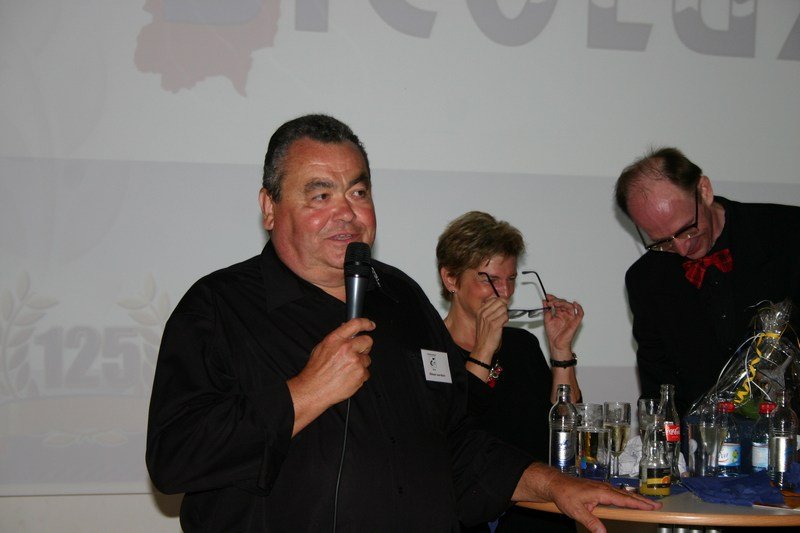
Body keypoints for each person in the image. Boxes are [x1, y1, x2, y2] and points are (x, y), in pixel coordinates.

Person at [146, 113, 659, 532]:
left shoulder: (402, 297)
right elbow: (175, 457)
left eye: (358, 192)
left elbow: (455, 440)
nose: (346, 213)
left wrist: (553, 485)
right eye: (321, 195)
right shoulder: (216, 308)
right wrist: (304, 393)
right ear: (269, 207)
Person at [616, 147, 800, 417]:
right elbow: (659, 386)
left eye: (686, 229)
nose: (682, 249)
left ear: (704, 190)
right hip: (703, 438)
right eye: (662, 241)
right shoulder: (646, 280)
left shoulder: (789, 233)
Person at [436, 211, 584, 532]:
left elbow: (565, 431)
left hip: (540, 512)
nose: (504, 292)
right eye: (488, 279)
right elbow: (452, 431)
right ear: (450, 279)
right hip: (471, 518)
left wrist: (561, 351)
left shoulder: (522, 344)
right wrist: (483, 349)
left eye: (511, 279)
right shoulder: (429, 350)